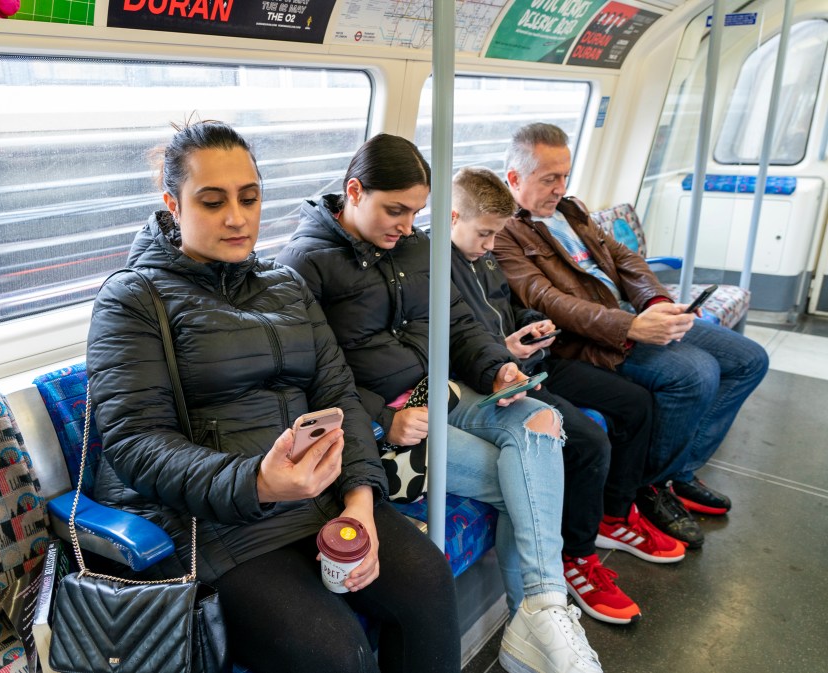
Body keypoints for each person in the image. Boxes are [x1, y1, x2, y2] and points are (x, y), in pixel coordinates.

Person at [85, 120, 460, 673]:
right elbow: (134, 440)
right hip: (216, 521)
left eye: (249, 197)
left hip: (321, 496)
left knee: (430, 586)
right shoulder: (132, 300)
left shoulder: (285, 285)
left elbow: (336, 394)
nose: (237, 218)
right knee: (334, 653)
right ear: (173, 203)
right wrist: (257, 482)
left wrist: (361, 497)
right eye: (212, 202)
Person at [276, 133, 603, 673]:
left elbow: (459, 325)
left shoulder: (416, 249)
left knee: (541, 422)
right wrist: (383, 418)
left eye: (416, 213)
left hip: (448, 391)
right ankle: (540, 634)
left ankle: (541, 613)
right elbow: (306, 375)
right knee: (524, 482)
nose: (406, 225)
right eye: (395, 210)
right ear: (353, 192)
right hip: (390, 421)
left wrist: (496, 366)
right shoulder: (304, 266)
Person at [494, 122, 770, 548]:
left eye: (565, 176)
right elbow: (547, 300)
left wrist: (655, 303)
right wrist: (631, 326)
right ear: (514, 179)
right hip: (594, 339)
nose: (560, 187)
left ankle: (674, 473)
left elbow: (624, 259)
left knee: (750, 360)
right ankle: (650, 488)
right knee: (695, 374)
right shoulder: (505, 233)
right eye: (550, 179)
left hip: (635, 317)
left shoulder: (571, 210)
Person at [448, 166, 685, 625]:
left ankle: (614, 515)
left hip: (536, 361)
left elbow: (509, 305)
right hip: (495, 377)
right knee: (588, 443)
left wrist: (533, 322)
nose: (491, 245)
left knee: (636, 403)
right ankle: (576, 556)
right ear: (452, 216)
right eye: (484, 235)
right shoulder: (437, 267)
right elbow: (458, 344)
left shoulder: (485, 254)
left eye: (496, 236)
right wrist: (504, 352)